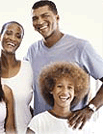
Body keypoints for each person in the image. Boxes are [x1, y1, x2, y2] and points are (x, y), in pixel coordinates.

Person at [24, 0, 103, 129]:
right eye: (35, 18)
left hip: (71, 127)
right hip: (41, 128)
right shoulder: (32, 50)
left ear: (57, 17)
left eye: (45, 16)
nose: (39, 21)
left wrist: (91, 108)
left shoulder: (80, 47)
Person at [27, 62, 94, 134]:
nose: (65, 92)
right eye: (59, 86)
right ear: (51, 89)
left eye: (70, 87)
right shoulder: (39, 121)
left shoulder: (83, 124)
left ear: (76, 92)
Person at [0, 21, 33, 134]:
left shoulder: (29, 68)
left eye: (18, 36)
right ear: (0, 36)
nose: (12, 38)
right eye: (8, 33)